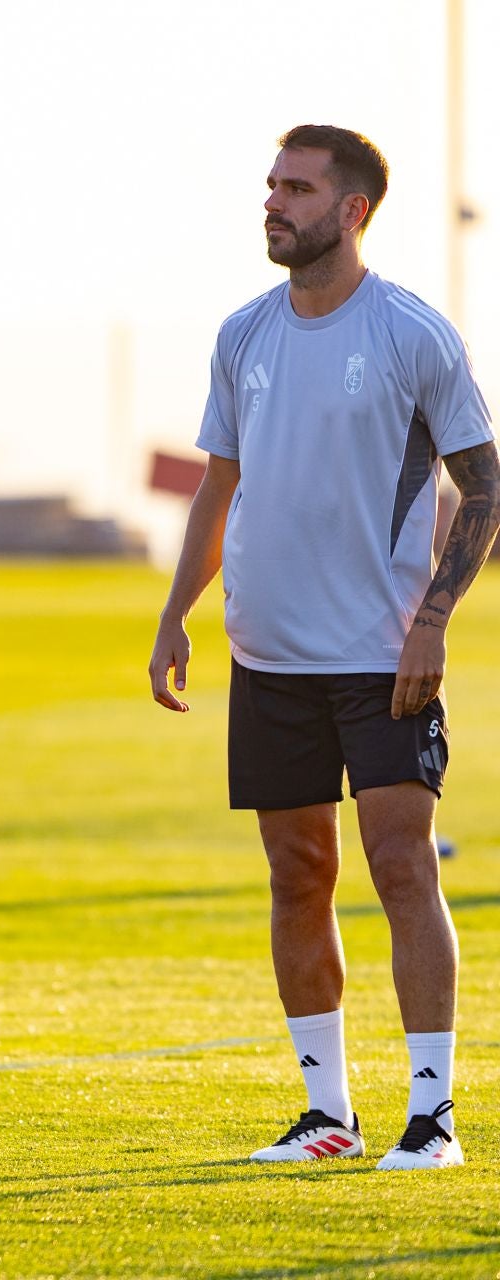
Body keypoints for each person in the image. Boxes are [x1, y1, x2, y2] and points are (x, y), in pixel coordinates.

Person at [150, 126, 498, 1170]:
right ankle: (326, 1114)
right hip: (268, 658)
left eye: (296, 188)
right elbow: (219, 484)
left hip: (383, 658)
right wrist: (177, 612)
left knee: (400, 866)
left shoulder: (410, 333)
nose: (273, 201)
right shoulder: (243, 334)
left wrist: (433, 620)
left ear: (350, 211)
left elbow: (485, 487)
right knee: (297, 873)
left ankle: (431, 1119)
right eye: (270, 184)